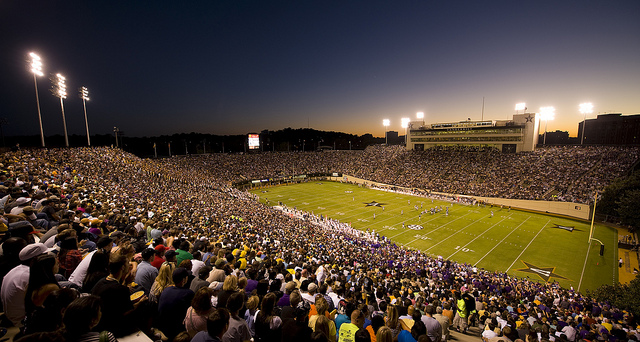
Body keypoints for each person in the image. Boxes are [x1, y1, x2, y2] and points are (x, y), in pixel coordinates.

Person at [92, 252, 147, 337]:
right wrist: (140, 302)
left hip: (100, 321)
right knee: (146, 305)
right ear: (122, 268)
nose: (129, 266)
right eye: (127, 264)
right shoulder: (121, 289)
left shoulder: (101, 281)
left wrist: (126, 282)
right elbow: (127, 311)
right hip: (112, 326)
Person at [156, 267, 195, 340]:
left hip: (162, 325)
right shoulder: (188, 293)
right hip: (174, 331)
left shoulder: (166, 289)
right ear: (183, 280)